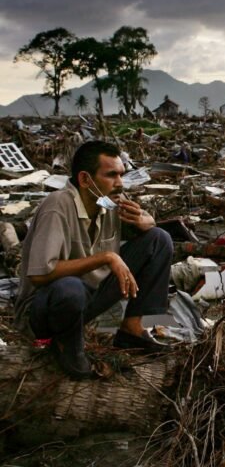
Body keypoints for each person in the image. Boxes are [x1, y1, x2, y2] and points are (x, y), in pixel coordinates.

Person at [14, 140, 173, 379]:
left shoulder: (105, 201)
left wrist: (145, 221)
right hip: (45, 310)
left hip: (86, 300)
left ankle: (132, 329)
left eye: (121, 175)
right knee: (70, 286)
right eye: (111, 175)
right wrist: (107, 257)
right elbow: (40, 274)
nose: (119, 183)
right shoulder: (57, 205)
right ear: (85, 179)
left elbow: (149, 228)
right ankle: (66, 346)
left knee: (159, 239)